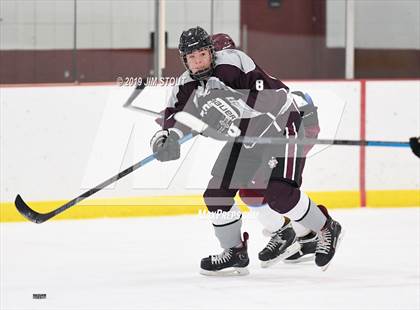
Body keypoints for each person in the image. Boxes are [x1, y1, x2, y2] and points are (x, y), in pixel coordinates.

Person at [150, 26, 343, 275]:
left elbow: (274, 98)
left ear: (211, 52)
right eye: (191, 57)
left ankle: (326, 228)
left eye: (202, 54)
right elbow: (175, 115)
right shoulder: (188, 84)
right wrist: (168, 137)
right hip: (246, 138)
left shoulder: (233, 64)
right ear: (184, 60)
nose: (198, 62)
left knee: (280, 194)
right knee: (217, 194)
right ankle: (235, 252)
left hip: (281, 127)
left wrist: (227, 97)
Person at [211, 33, 320, 265]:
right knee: (251, 192)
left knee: (268, 190)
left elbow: (284, 108)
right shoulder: (226, 80)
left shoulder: (246, 76)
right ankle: (301, 235)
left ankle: (296, 232)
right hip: (266, 136)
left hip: (293, 132)